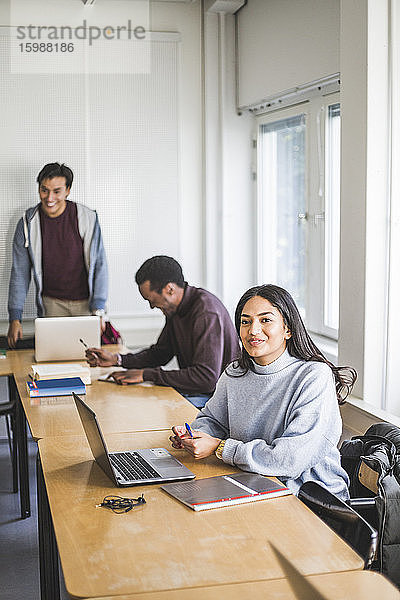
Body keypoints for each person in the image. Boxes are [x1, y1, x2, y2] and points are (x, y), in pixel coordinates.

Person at [170, 284, 357, 499]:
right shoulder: (235, 372)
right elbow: (213, 420)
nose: (253, 331)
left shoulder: (314, 376)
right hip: (253, 481)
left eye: (265, 320)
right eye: (245, 322)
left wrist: (220, 448)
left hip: (311, 498)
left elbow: (290, 459)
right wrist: (195, 436)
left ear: (288, 329)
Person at [86, 255, 240, 408]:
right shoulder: (174, 310)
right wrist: (117, 359)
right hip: (200, 393)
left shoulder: (207, 312)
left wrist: (146, 375)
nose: (152, 306)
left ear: (170, 289)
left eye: (151, 300)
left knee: (142, 406)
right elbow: (160, 354)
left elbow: (206, 378)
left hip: (217, 401)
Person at [7, 162, 108, 348]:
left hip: (86, 305)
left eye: (57, 191)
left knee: (87, 358)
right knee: (53, 355)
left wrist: (99, 310)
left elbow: (100, 265)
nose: (49, 197)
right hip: (51, 303)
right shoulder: (27, 222)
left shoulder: (87, 217)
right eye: (44, 190)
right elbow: (19, 273)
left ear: (68, 190)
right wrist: (15, 318)